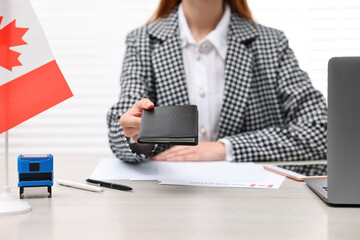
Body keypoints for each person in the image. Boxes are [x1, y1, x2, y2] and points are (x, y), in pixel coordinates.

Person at [107, 0, 327, 163]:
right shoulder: (142, 41)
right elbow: (121, 129)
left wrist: (226, 148)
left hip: (252, 206)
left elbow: (321, 130)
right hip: (170, 201)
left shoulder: (272, 44)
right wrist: (137, 136)